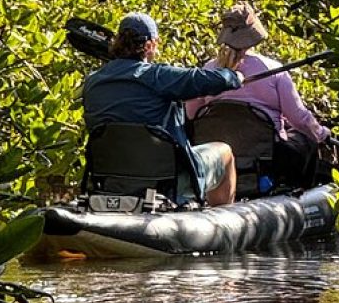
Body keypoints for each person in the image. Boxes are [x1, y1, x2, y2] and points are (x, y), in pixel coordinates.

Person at [83, 12, 243, 206]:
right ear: (149, 46)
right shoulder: (157, 76)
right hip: (166, 181)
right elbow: (205, 80)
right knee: (224, 152)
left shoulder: (92, 82)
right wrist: (233, 75)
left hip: (111, 180)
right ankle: (221, 228)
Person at [185, 2, 331, 189]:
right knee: (307, 141)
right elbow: (299, 118)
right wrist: (321, 134)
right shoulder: (273, 70)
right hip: (268, 155)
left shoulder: (208, 70)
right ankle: (301, 192)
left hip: (219, 153)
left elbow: (191, 114)